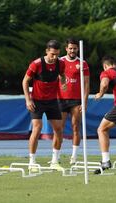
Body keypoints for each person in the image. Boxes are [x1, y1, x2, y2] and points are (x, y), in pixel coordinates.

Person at [22, 39, 67, 169]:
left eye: (57, 54)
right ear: (47, 51)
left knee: (59, 129)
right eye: (52, 54)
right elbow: (25, 81)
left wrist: (63, 83)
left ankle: (55, 161)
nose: (54, 57)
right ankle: (32, 162)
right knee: (37, 128)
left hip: (52, 101)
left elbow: (62, 75)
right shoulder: (36, 64)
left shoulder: (61, 64)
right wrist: (28, 100)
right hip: (37, 101)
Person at [57, 38, 90, 164]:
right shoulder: (60, 61)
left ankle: (74, 157)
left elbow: (86, 84)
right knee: (59, 128)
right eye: (70, 48)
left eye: (74, 48)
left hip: (76, 100)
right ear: (66, 49)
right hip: (61, 99)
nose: (72, 50)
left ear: (78, 49)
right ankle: (56, 157)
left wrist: (85, 101)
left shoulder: (83, 63)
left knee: (76, 126)